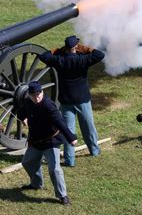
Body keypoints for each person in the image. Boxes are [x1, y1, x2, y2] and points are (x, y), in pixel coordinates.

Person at [39, 35, 105, 167]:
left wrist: (58, 50)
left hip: (66, 100)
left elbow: (43, 56)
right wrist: (85, 49)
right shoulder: (82, 60)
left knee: (68, 130)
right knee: (88, 126)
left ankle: (70, 160)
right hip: (82, 99)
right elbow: (99, 54)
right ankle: (94, 150)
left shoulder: (60, 60)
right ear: (76, 47)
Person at [18, 81, 77, 206]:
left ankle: (62, 196)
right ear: (29, 95)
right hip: (36, 142)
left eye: (39, 93)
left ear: (42, 92)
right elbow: (21, 111)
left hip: (51, 142)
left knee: (55, 169)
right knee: (27, 162)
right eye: (34, 94)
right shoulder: (28, 102)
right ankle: (36, 184)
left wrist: (71, 137)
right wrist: (23, 118)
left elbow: (60, 122)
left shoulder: (49, 105)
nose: (37, 97)